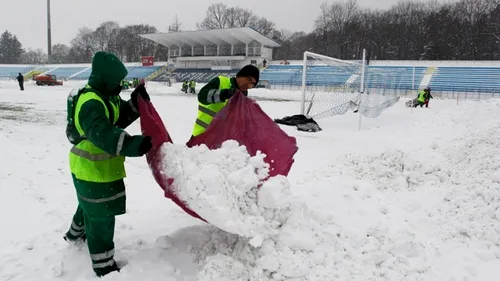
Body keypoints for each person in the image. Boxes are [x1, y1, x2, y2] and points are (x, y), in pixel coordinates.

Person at [64, 51, 152, 277]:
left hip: (96, 169)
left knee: (88, 205)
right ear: (105, 79)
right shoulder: (91, 102)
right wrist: (134, 145)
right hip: (91, 168)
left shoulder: (106, 96)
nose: (119, 85)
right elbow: (102, 133)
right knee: (101, 217)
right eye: (116, 81)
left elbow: (118, 116)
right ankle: (104, 266)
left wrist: (135, 102)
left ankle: (74, 234)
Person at [191, 64, 259, 137]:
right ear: (240, 75)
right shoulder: (220, 81)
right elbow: (202, 96)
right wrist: (224, 94)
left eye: (252, 84)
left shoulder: (243, 97)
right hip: (201, 136)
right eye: (249, 79)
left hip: (221, 142)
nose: (249, 85)